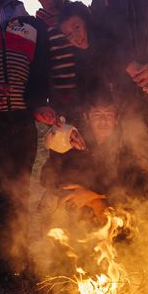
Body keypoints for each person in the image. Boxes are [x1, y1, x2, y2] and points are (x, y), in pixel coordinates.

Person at [62, 0, 148, 205]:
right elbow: (107, 42)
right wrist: (128, 67)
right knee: (143, 164)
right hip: (131, 99)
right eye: (68, 33)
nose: (75, 35)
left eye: (76, 28)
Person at [0, 0, 53, 294]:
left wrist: (37, 105)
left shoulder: (28, 21)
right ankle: (10, 272)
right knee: (5, 195)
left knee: (20, 193)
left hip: (21, 121)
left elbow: (39, 73)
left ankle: (23, 261)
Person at [39, 92, 125, 228]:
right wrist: (86, 199)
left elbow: (136, 184)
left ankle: (120, 242)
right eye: (97, 115)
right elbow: (47, 177)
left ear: (117, 118)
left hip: (112, 206)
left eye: (108, 115)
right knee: (50, 202)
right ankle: (60, 245)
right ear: (86, 117)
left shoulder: (128, 144)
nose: (103, 121)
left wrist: (94, 197)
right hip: (76, 207)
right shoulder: (71, 141)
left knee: (118, 209)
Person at [34, 0, 83, 125]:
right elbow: (39, 67)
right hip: (58, 102)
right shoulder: (37, 26)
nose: (51, 0)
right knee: (62, 141)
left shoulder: (80, 15)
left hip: (85, 97)